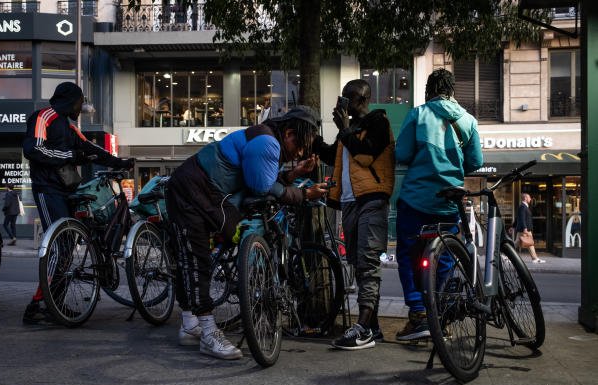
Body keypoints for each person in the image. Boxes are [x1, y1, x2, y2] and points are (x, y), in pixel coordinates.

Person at [165, 105, 327, 360]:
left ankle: (189, 325)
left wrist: (294, 174)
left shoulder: (265, 138)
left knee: (191, 259)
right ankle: (207, 333)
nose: (301, 152)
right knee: (197, 261)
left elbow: (262, 179)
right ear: (289, 133)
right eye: (300, 144)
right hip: (193, 192)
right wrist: (304, 193)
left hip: (198, 190)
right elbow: (262, 188)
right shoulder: (267, 143)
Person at [21, 82, 135, 325]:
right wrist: (71, 156)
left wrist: (119, 162)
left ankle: (53, 304)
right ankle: (39, 305)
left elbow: (89, 148)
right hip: (48, 188)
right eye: (79, 102)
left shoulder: (69, 127)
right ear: (70, 100)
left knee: (68, 244)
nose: (81, 107)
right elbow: (34, 149)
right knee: (59, 245)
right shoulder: (44, 116)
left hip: (67, 189)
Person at [394, 69, 483, 341]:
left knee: (410, 256)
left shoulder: (418, 115)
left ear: (428, 91)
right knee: (444, 256)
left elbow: (402, 154)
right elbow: (476, 162)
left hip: (416, 200)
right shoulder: (468, 120)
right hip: (448, 203)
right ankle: (440, 315)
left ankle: (419, 315)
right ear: (452, 91)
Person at [312, 79, 395, 350]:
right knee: (359, 265)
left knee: (369, 261)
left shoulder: (378, 122)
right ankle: (372, 327)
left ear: (361, 100)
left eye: (349, 97)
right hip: (349, 202)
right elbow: (332, 156)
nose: (344, 102)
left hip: (372, 198)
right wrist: (313, 142)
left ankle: (362, 330)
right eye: (342, 97)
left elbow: (366, 156)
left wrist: (345, 130)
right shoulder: (347, 131)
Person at [515, 193, 545, 263]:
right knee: (530, 243)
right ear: (525, 198)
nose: (530, 199)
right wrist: (525, 228)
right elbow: (522, 218)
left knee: (519, 243)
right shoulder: (523, 206)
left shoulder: (524, 206)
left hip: (524, 229)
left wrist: (513, 226)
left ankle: (535, 258)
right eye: (529, 197)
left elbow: (518, 218)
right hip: (525, 229)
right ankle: (535, 258)